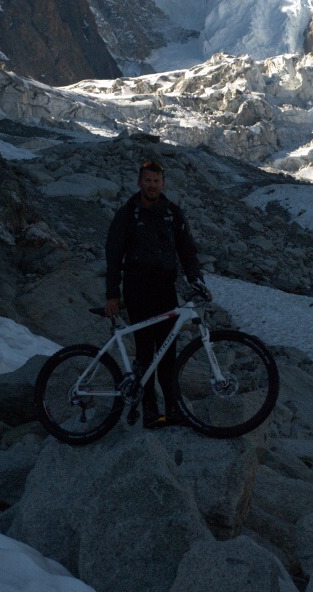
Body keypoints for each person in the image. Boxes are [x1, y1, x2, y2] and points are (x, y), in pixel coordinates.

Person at [105, 159, 209, 429]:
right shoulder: (128, 213)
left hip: (165, 289)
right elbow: (114, 256)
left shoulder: (172, 213)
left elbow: (187, 250)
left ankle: (173, 408)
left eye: (156, 181)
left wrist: (196, 279)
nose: (152, 185)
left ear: (163, 184)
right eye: (147, 180)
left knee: (168, 351)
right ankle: (150, 409)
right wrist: (112, 295)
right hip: (137, 289)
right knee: (145, 352)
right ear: (139, 182)